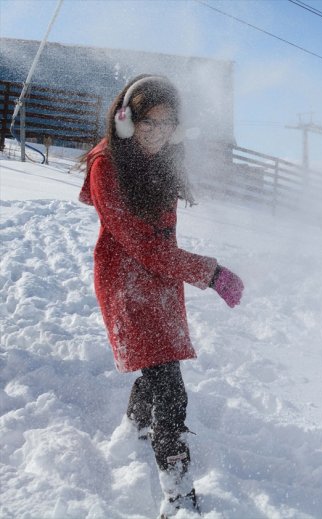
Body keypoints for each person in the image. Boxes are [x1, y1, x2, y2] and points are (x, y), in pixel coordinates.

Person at [79, 75, 244, 517]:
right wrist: (208, 272)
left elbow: (160, 245)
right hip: (127, 287)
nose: (159, 132)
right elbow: (141, 243)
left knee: (158, 367)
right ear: (126, 121)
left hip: (161, 282)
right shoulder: (106, 165)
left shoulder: (164, 160)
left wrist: (188, 272)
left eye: (168, 123)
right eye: (149, 122)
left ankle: (133, 428)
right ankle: (179, 497)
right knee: (170, 392)